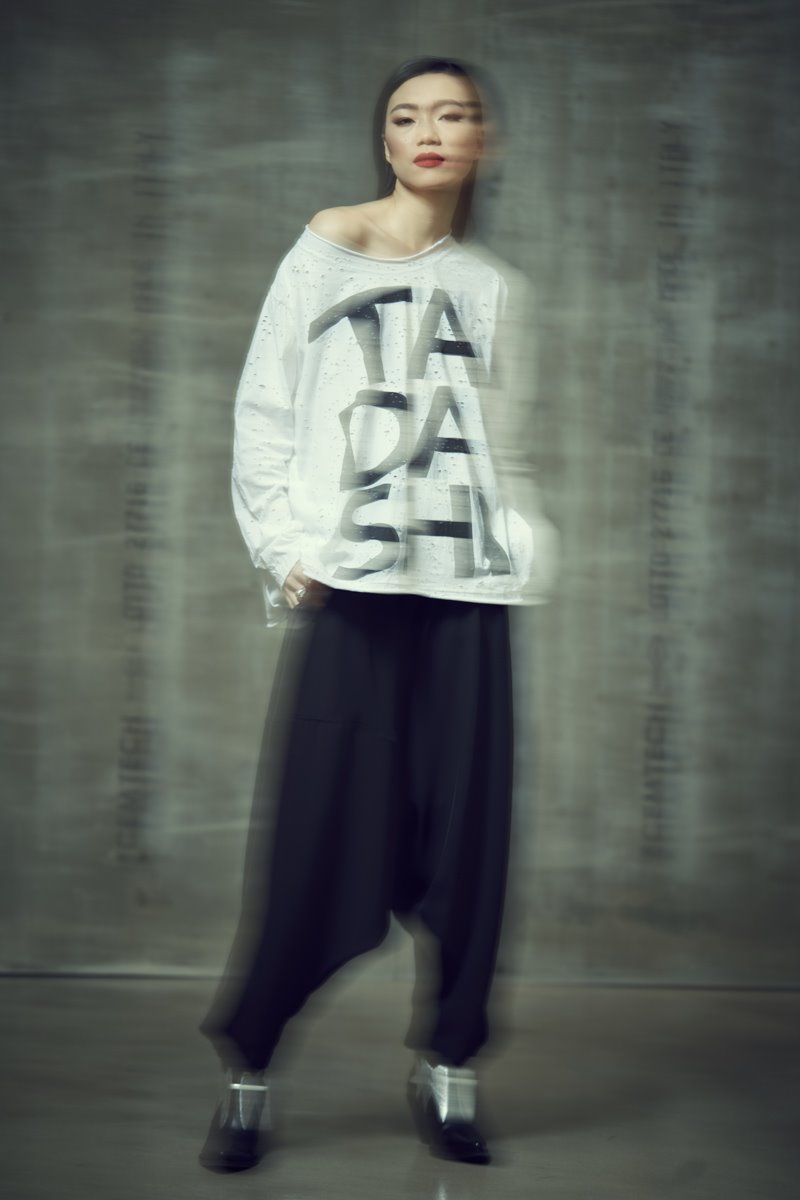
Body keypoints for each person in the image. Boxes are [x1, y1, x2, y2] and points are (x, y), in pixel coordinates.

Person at [199, 55, 557, 1174]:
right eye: (407, 116)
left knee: (469, 843)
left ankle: (449, 1066)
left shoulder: (495, 285)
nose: (429, 130)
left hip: (467, 594)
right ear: (386, 140)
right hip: (354, 587)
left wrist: (522, 544)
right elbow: (265, 405)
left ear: (483, 141)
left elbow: (504, 444)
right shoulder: (327, 244)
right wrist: (282, 550)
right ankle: (249, 1071)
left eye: (454, 114)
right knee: (318, 834)